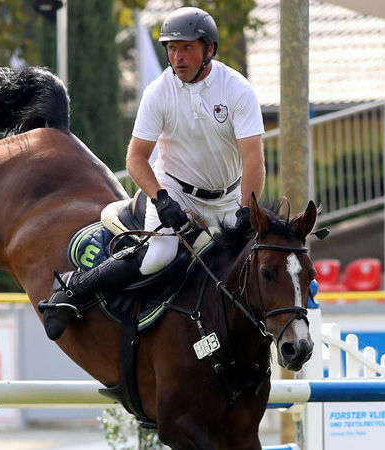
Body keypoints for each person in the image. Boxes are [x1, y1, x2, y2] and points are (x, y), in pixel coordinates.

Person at [37, 6, 266, 340]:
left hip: (228, 196)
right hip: (174, 188)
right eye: (171, 48)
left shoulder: (237, 89)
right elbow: (136, 159)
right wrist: (162, 199)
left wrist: (247, 211)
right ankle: (73, 289)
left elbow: (253, 161)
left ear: (209, 49)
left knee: (250, 263)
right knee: (158, 256)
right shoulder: (158, 92)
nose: (177, 57)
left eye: (186, 47)